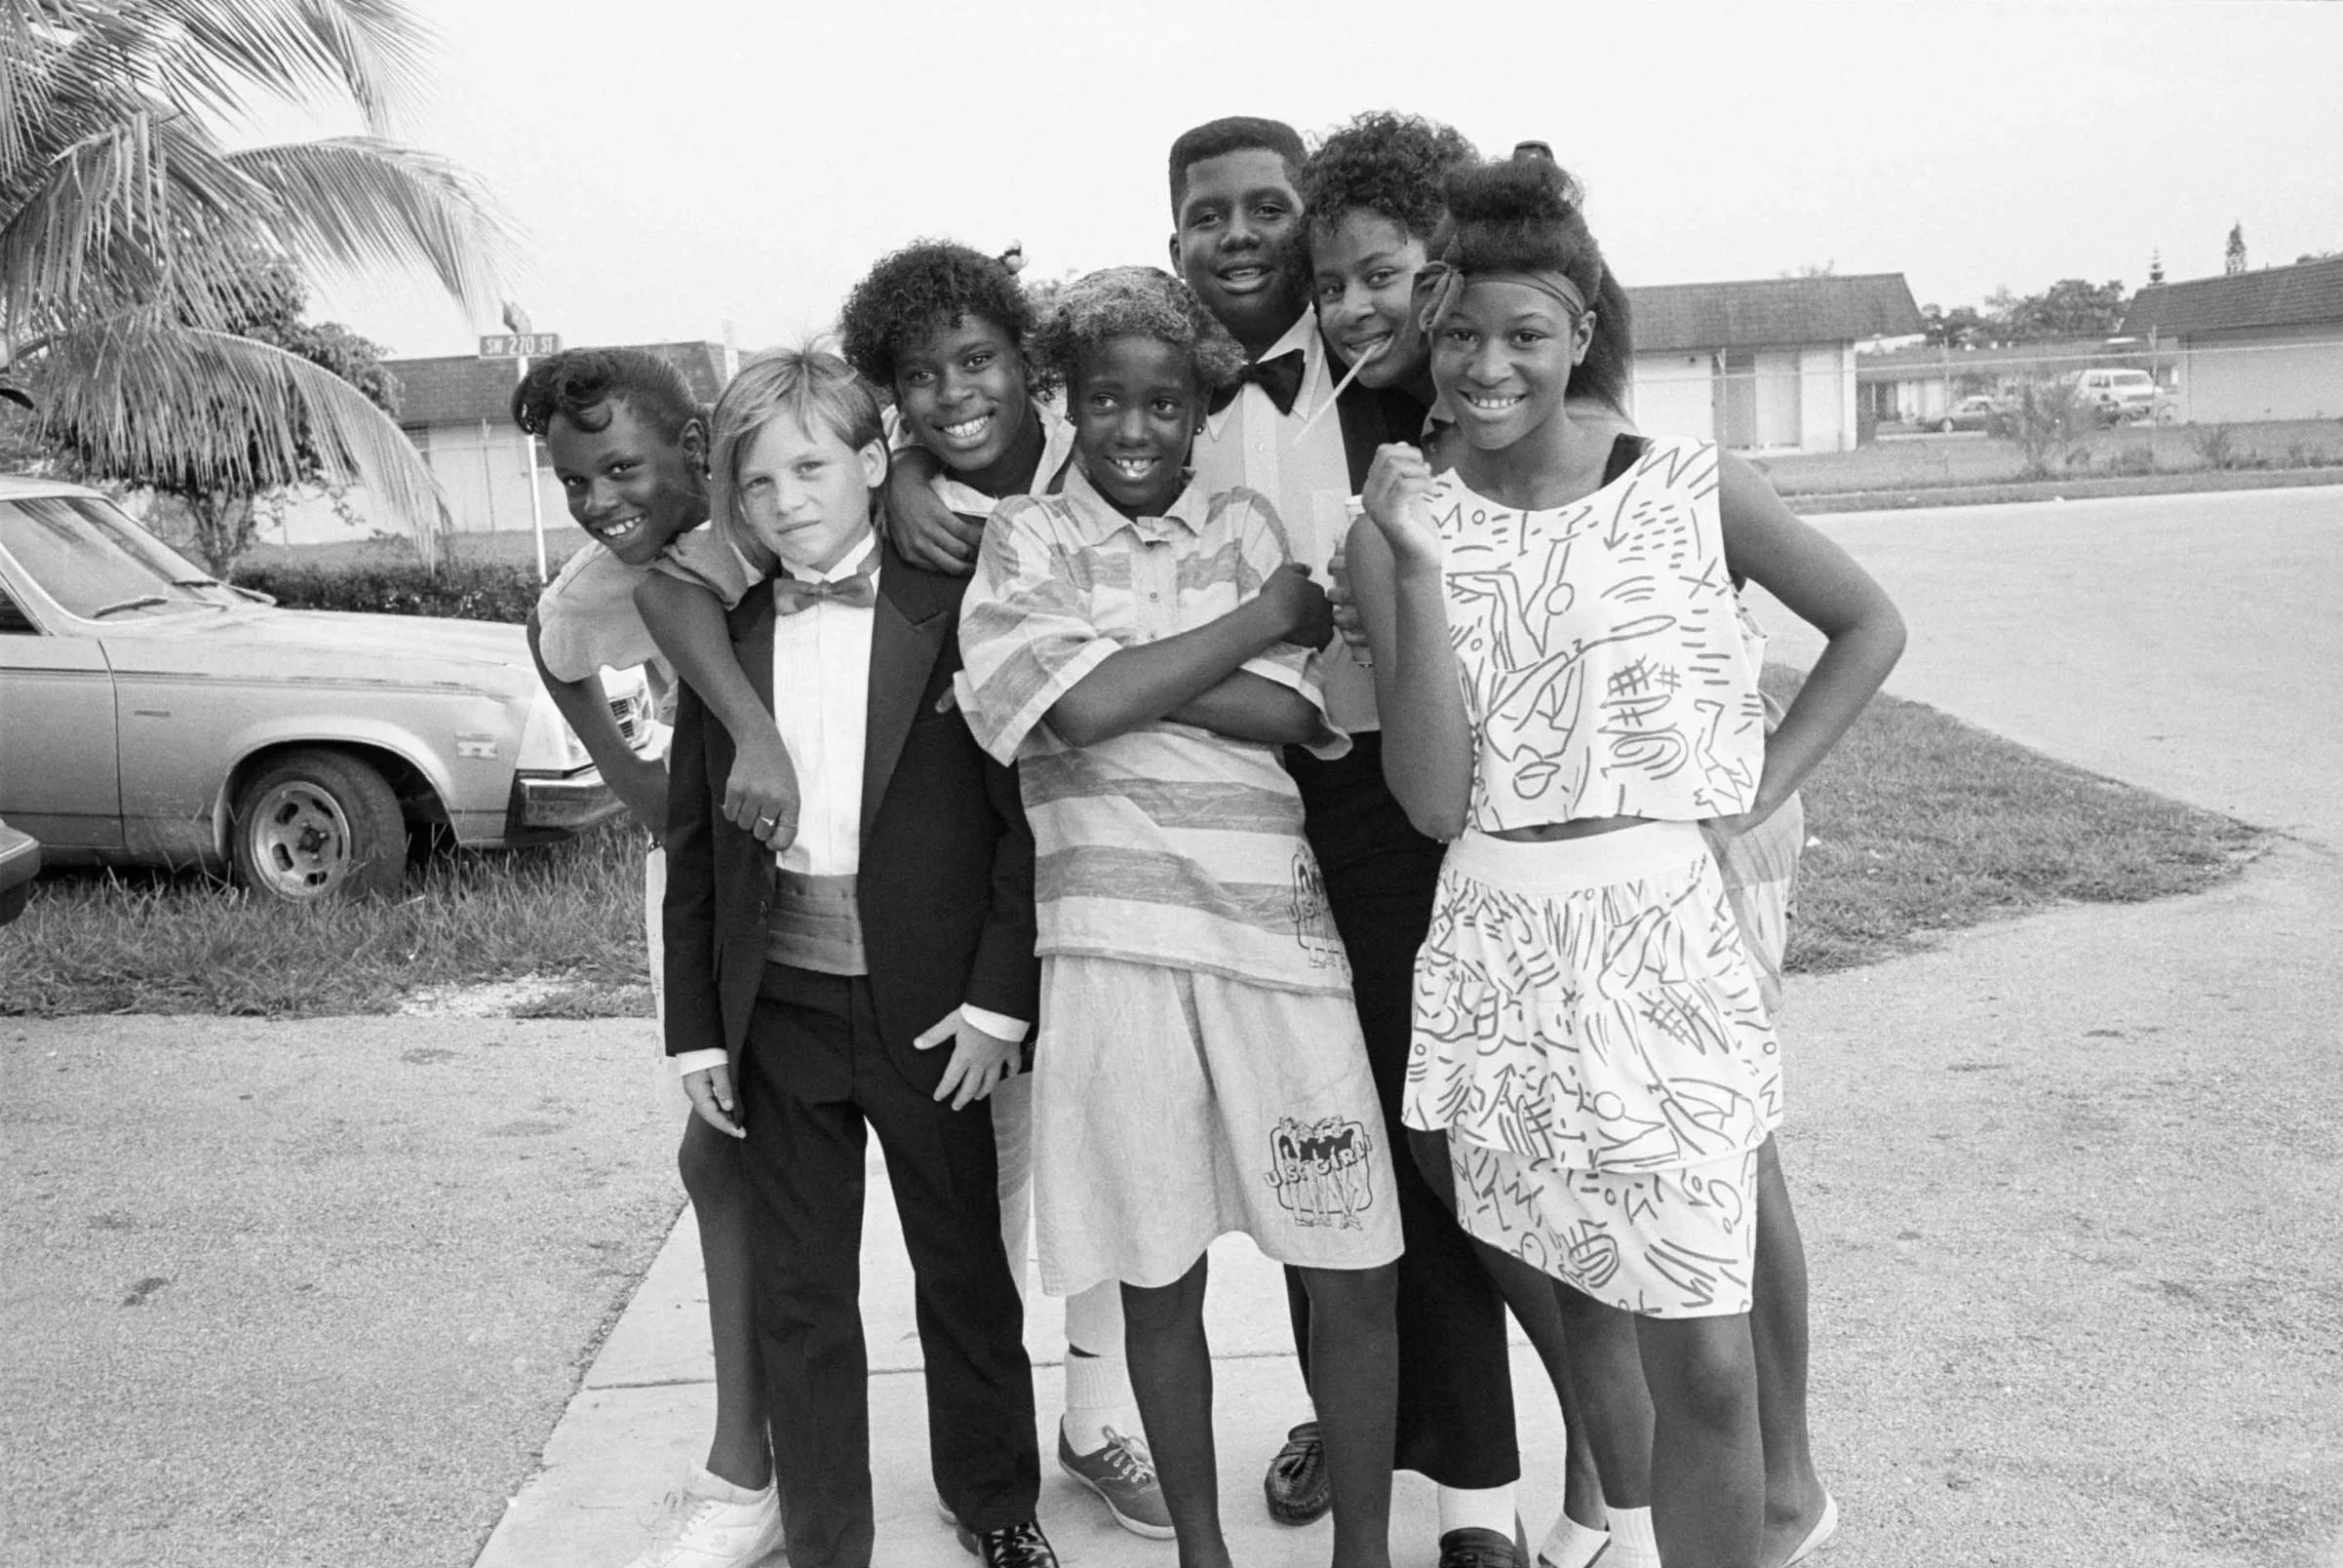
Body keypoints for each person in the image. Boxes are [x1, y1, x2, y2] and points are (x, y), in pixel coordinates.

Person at [1348, 155, 1905, 1568]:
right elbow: (1430, 802)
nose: (1487, 367)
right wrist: (1409, 562)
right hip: (1497, 939)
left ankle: (1766, 1517)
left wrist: (1757, 785)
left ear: (1581, 331)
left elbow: (1868, 625)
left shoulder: (1693, 487)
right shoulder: (1401, 524)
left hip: (1657, 939)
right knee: (1586, 1304)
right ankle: (1637, 1534)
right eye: (1459, 336)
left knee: (1704, 1356)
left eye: (1524, 334)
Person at [954, 265, 1403, 1568]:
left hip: (1275, 945)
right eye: (1105, 400)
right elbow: (1081, 711)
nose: (1135, 428)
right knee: (1157, 1276)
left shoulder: (1246, 524)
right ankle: (1203, 1555)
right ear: (1068, 403)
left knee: (1353, 1263)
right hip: (1112, 952)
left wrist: (1103, 672)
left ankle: (1364, 1556)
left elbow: (1289, 711)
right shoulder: (1025, 541)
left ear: (1200, 412)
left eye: (1163, 404)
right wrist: (1247, 627)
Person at [1168, 112, 1530, 1567]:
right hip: (1232, 810)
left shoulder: (1408, 375)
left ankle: (1480, 1497)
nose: (1241, 236)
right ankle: (1350, 1414)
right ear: (1175, 241)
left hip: (1391, 799)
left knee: (1421, 1131)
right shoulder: (1146, 395)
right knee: (1303, 1143)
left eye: (1269, 207)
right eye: (1209, 215)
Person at [661, 346, 1058, 1568]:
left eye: (810, 469)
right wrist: (695, 1031)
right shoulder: (728, 639)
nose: (785, 501)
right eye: (757, 482)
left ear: (876, 462)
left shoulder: (958, 610)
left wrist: (999, 1001)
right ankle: (829, 1537)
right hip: (779, 1006)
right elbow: (693, 845)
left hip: (936, 1011)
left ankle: (996, 1504)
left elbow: (1021, 824)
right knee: (801, 1291)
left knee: (964, 1269)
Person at [835, 239, 1169, 1541]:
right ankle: (993, 1446)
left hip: (1109, 857)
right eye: (920, 378)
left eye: (976, 361)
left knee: (1111, 1155)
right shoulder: (900, 507)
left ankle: (1098, 1416)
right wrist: (903, 482)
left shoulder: (1105, 468)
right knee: (990, 1183)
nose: (954, 393)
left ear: (1028, 362)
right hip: (979, 887)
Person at [512, 347, 785, 1568]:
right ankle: (745, 1463)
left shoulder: (780, 514)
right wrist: (643, 787)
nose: (598, 502)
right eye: (574, 482)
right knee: (722, 1146)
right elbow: (552, 644)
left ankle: (1049, 1424)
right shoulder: (600, 584)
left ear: (695, 445)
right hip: (719, 882)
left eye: (620, 468)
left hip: (864, 873)